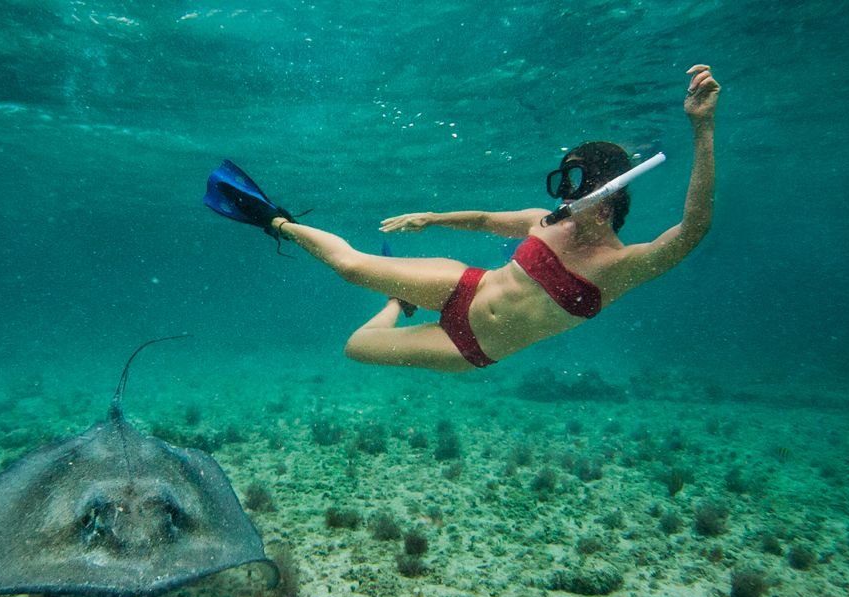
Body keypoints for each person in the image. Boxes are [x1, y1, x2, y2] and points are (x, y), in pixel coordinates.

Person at [203, 64, 719, 373]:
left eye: (574, 183)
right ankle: (273, 219)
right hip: (464, 286)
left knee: (355, 347)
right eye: (562, 182)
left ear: (605, 195)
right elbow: (486, 219)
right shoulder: (547, 221)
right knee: (351, 267)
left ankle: (397, 305)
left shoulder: (620, 266)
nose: (563, 196)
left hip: (469, 346)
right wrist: (431, 218)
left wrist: (702, 129)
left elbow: (691, 231)